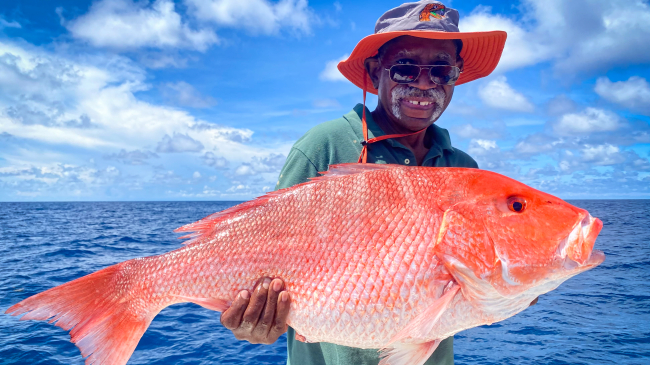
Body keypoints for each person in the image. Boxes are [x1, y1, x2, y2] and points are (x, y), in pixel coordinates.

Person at [219, 1, 507, 364]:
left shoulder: (464, 169)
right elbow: (261, 251)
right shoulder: (324, 146)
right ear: (375, 70)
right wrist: (253, 322)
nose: (423, 82)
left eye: (440, 69)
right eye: (405, 67)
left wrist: (523, 279)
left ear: (455, 74)